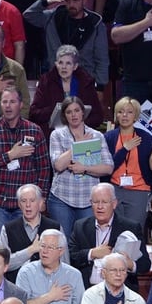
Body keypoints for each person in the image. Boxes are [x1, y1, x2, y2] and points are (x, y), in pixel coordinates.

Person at [0, 86, 50, 236]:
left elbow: (43, 168)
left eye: (12, 101)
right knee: (0, 249)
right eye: (4, 102)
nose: (8, 106)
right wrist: (10, 155)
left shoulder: (34, 131)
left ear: (21, 104)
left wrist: (42, 197)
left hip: (25, 205)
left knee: (26, 248)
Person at [47, 97, 113, 237]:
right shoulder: (57, 135)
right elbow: (59, 165)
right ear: (64, 115)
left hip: (88, 200)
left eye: (77, 110)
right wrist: (78, 144)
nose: (74, 115)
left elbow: (108, 167)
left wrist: (85, 168)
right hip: (62, 199)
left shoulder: (97, 136)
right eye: (69, 112)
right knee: (61, 243)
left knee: (85, 242)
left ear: (83, 112)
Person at [69, 182, 151, 290]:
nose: (100, 206)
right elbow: (70, 257)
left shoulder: (130, 227)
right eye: (96, 202)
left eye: (105, 202)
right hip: (88, 290)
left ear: (114, 204)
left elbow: (145, 264)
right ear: (91, 204)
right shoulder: (80, 226)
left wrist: (129, 264)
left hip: (120, 291)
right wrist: (92, 253)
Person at [29, 45, 105, 141]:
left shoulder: (86, 82)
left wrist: (79, 123)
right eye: (61, 63)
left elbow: (98, 116)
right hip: (53, 135)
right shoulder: (46, 82)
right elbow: (34, 113)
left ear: (75, 66)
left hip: (81, 134)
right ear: (56, 64)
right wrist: (54, 110)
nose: (63, 67)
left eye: (68, 63)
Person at [109, 0, 152, 104]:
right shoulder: (127, 5)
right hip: (134, 82)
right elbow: (116, 36)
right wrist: (146, 22)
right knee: (132, 124)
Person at [105, 97, 152, 225]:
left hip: (139, 191)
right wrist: (124, 149)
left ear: (136, 116)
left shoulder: (145, 138)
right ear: (116, 115)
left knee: (134, 233)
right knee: (114, 233)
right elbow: (107, 167)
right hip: (114, 190)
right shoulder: (109, 137)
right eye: (120, 111)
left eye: (129, 112)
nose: (124, 115)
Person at [0, 184, 65, 282]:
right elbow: (2, 263)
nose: (28, 205)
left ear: (41, 203)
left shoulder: (55, 228)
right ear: (19, 204)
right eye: (24, 201)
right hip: (16, 288)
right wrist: (30, 251)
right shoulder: (8, 229)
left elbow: (64, 264)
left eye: (32, 201)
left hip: (49, 287)